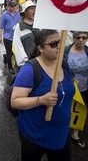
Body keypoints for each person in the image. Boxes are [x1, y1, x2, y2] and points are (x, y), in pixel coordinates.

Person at [11, 29, 75, 161]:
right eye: (53, 44)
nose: (59, 46)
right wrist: (41, 100)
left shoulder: (63, 64)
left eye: (60, 42)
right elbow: (15, 101)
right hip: (34, 135)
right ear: (40, 48)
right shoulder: (29, 70)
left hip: (61, 134)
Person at [64, 31, 88, 150]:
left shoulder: (87, 51)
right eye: (78, 37)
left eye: (84, 37)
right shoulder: (65, 51)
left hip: (84, 88)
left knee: (80, 109)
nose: (81, 40)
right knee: (66, 110)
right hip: (69, 88)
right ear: (73, 37)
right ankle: (63, 133)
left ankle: (75, 135)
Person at [0, 0, 21, 74]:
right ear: (8, 6)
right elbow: (0, 26)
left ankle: (5, 56)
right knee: (10, 53)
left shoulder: (18, 14)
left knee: (15, 52)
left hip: (16, 37)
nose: (13, 8)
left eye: (14, 6)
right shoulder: (5, 15)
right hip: (8, 37)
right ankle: (10, 67)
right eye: (12, 6)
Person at [13, 0, 38, 68]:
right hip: (28, 65)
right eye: (32, 9)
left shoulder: (39, 25)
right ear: (25, 12)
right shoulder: (19, 27)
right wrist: (25, 65)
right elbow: (18, 47)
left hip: (40, 64)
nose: (34, 11)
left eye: (35, 8)